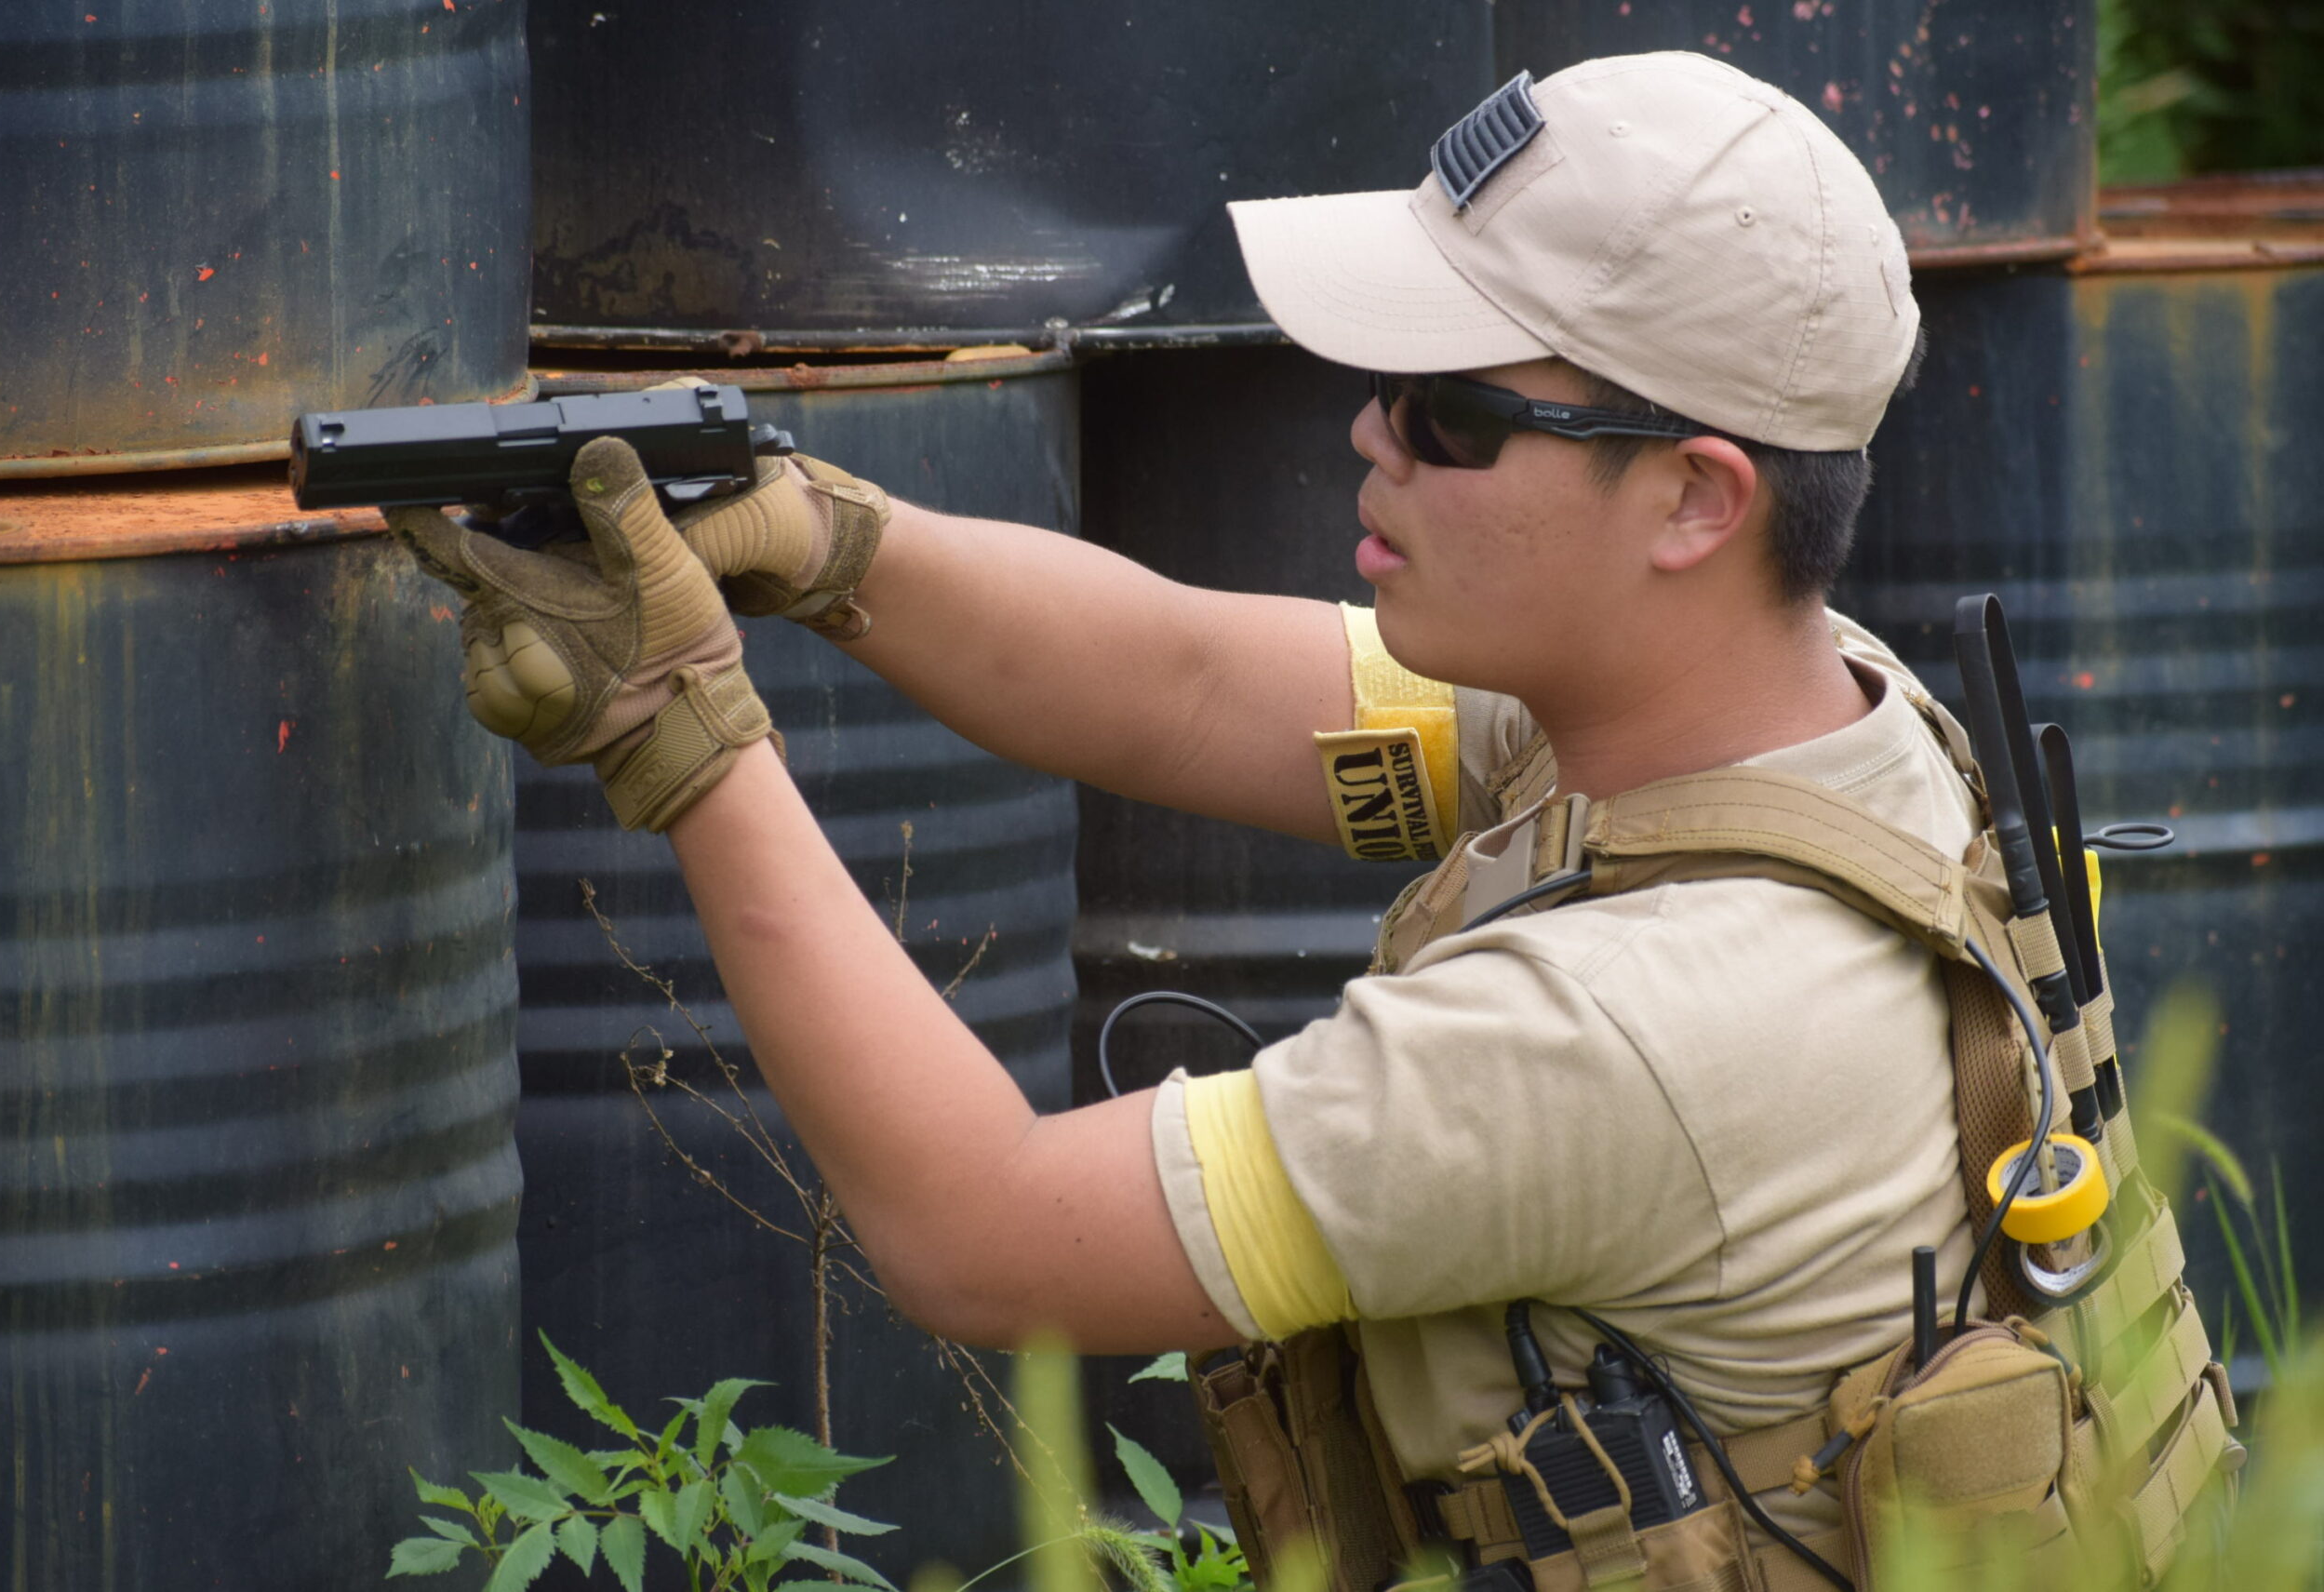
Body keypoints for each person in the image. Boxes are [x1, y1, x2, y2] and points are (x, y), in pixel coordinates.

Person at [392, 50, 2002, 1590]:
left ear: (1698, 501)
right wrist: (818, 537)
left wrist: (678, 733)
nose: (1371, 432)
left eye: (1448, 412)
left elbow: (984, 1231)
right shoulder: (1789, 719)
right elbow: (1181, 683)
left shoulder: (1618, 1038)